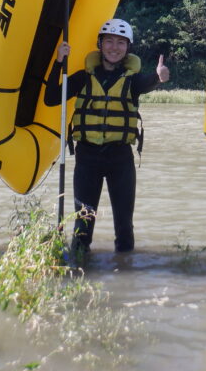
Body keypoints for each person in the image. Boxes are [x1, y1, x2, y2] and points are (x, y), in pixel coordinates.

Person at [44, 19, 169, 258]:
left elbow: (147, 83)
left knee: (124, 226)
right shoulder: (82, 77)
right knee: (83, 226)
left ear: (127, 48)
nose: (114, 47)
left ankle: (126, 275)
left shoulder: (132, 80)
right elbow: (51, 97)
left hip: (120, 159)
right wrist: (59, 62)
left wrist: (158, 77)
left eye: (120, 43)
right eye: (109, 41)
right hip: (87, 157)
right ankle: (79, 271)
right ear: (100, 44)